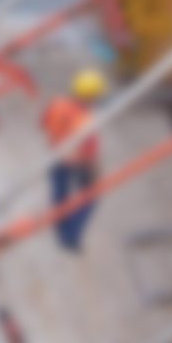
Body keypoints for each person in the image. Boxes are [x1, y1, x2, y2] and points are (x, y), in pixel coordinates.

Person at [42, 67, 108, 253]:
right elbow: (89, 150)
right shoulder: (85, 119)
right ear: (92, 95)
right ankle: (70, 237)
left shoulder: (57, 103)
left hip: (56, 155)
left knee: (59, 194)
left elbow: (44, 122)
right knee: (89, 198)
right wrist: (94, 169)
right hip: (77, 162)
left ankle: (59, 226)